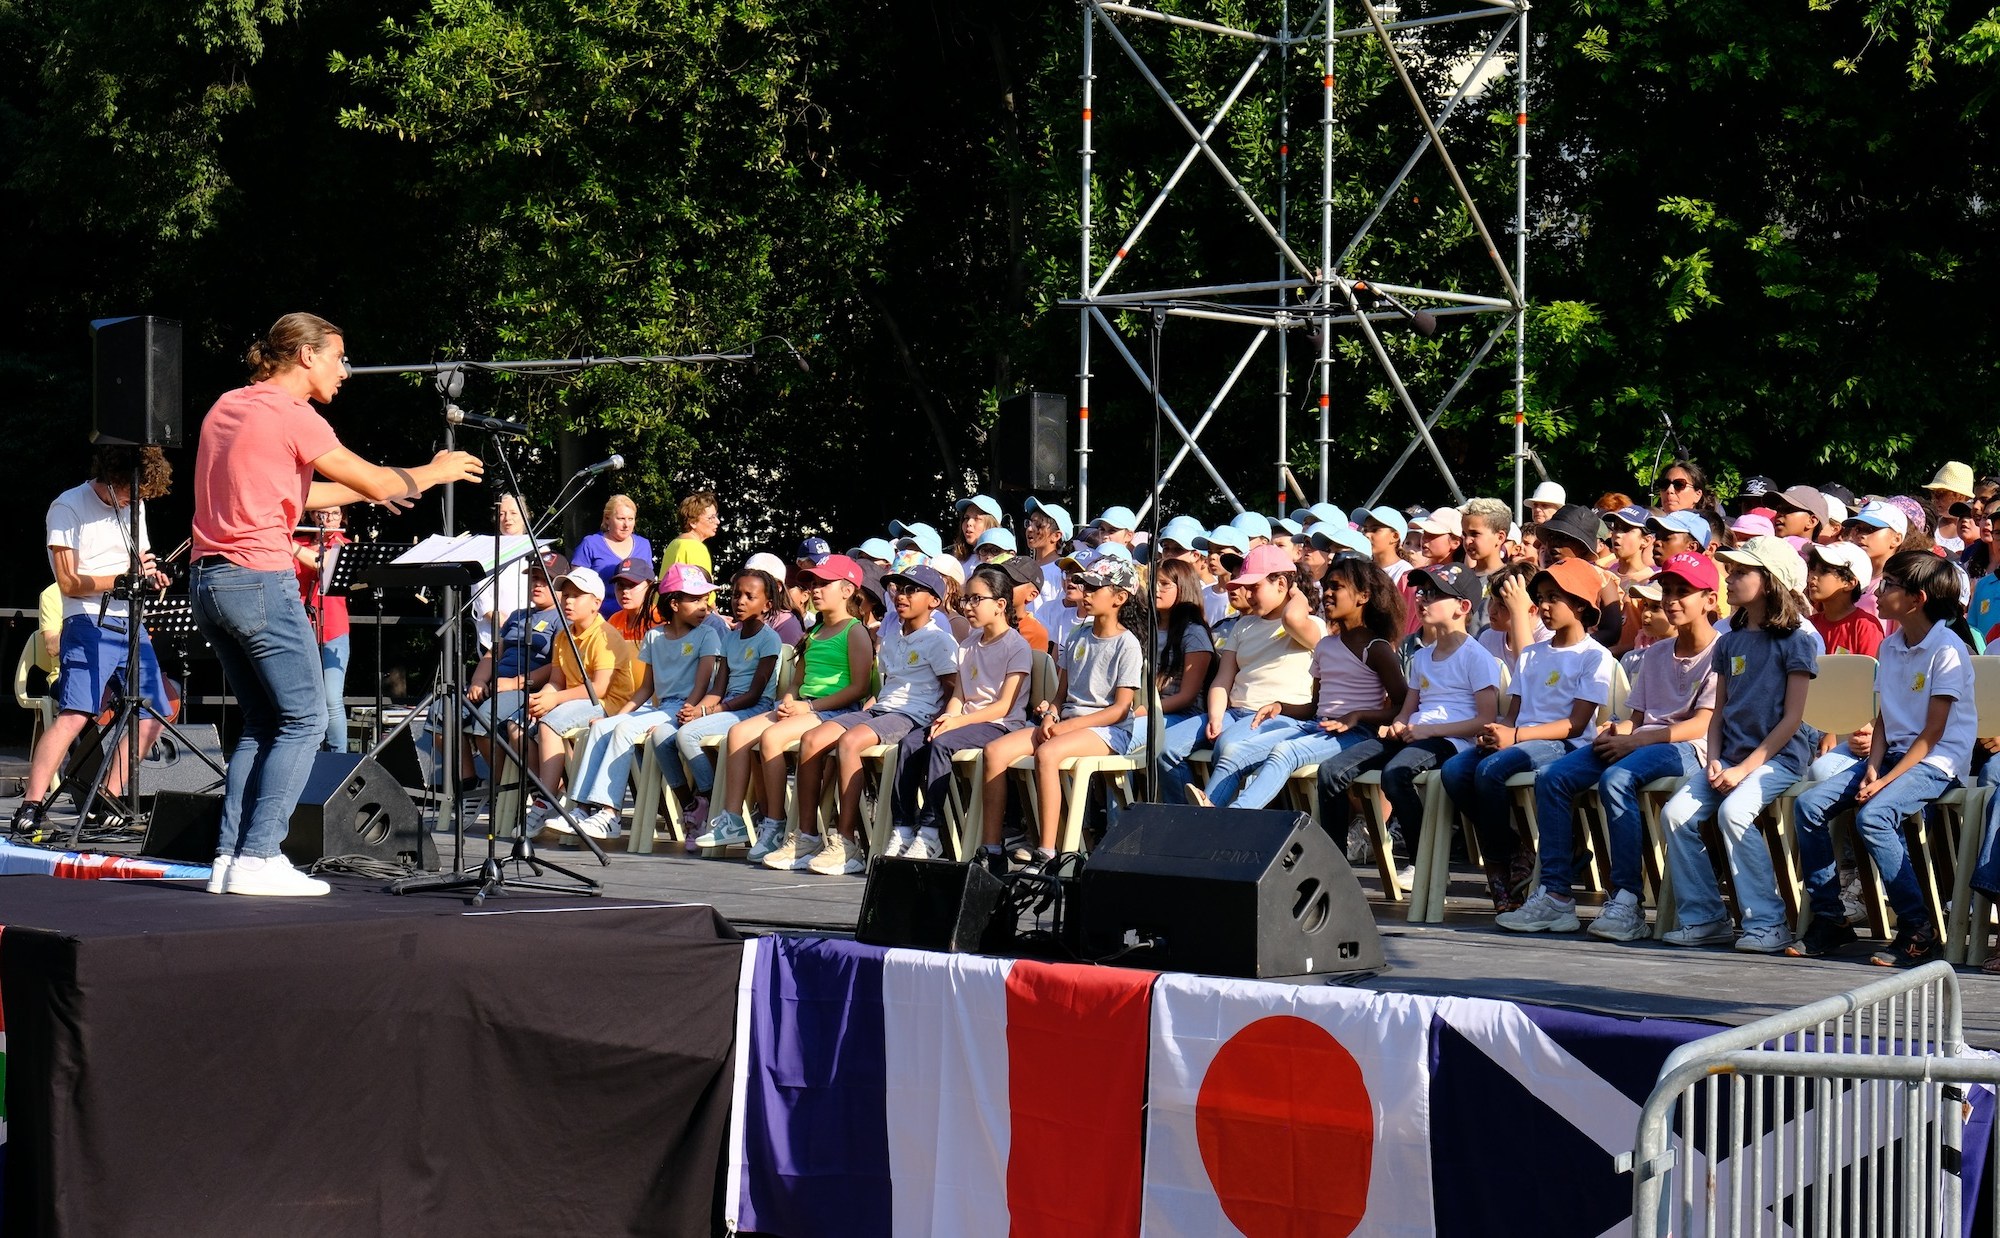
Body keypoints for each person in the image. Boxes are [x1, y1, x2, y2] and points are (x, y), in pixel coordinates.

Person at [188, 313, 482, 896]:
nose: (344, 371)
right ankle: (260, 856)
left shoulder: (227, 406)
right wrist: (433, 472)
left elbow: (297, 491)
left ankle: (229, 857)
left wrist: (382, 487)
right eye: (338, 358)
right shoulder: (295, 414)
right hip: (259, 579)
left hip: (210, 582)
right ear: (306, 355)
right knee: (306, 719)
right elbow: (373, 481)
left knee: (263, 723)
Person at [1499, 552, 1721, 940]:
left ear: (1710, 600)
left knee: (1616, 779)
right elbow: (1637, 716)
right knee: (1553, 777)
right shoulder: (1656, 653)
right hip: (1643, 741)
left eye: (1682, 592)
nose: (1671, 600)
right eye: (1667, 590)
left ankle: (1626, 901)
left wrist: (1638, 738)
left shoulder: (1721, 651)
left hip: (1689, 747)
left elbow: (1703, 723)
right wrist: (1617, 730)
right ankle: (1556, 896)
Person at [1788, 550, 1977, 965]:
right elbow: (1884, 719)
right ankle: (1831, 917)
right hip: (1892, 756)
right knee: (1809, 805)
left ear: (1917, 599)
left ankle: (1917, 928)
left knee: (1872, 816)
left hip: (1937, 761)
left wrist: (1884, 782)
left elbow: (1933, 733)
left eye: (1889, 585)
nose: (1878, 591)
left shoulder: (1947, 648)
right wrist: (1873, 765)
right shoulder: (1891, 646)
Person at [1659, 536, 1817, 952]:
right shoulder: (1729, 641)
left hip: (1779, 758)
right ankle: (1706, 917)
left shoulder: (1796, 640)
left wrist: (1744, 769)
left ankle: (1768, 922)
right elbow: (1718, 713)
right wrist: (1714, 760)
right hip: (1728, 758)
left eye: (1741, 572)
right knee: (1675, 815)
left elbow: (1792, 719)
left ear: (1769, 581)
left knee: (1734, 813)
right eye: (1730, 571)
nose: (1729, 578)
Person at [12, 444, 175, 840]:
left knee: (154, 710)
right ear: (112, 479)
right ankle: (30, 806)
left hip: (130, 619)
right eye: (129, 493)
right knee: (77, 712)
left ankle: (107, 800)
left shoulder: (134, 504)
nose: (133, 501)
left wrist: (151, 573)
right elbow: (68, 581)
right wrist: (121, 578)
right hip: (88, 619)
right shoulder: (68, 506)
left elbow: (141, 557)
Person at [1441, 557, 1617, 910]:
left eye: (1554, 598)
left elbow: (1576, 724)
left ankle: (1498, 868)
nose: (1544, 606)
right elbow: (1513, 714)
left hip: (1564, 745)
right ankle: (1514, 848)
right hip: (1522, 738)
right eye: (1541, 598)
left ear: (1581, 605)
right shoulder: (1532, 654)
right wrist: (1497, 732)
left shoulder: (1594, 656)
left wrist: (1516, 736)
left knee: (1490, 770)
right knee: (1454, 770)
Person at [1314, 563, 1502, 870]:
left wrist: (1429, 731)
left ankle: (1421, 863)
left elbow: (1485, 720)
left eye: (1434, 594)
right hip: (1415, 736)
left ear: (1463, 607)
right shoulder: (1422, 656)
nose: (1422, 599)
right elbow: (1408, 708)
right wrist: (1398, 724)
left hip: (1450, 741)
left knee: (1395, 774)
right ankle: (1332, 866)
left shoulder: (1476, 656)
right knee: (1331, 771)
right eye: (1422, 592)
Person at [778, 564, 960, 876]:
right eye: (898, 589)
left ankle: (847, 843)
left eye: (911, 590)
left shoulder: (940, 640)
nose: (901, 596)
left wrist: (941, 721)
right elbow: (890, 686)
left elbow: (953, 690)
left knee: (849, 742)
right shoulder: (891, 637)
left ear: (934, 600)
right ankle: (807, 837)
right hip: (881, 710)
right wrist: (869, 709)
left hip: (913, 716)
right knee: (812, 739)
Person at [1194, 556, 1406, 811]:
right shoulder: (1325, 646)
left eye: (1336, 587)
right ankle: (1206, 813)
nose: (1327, 593)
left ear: (1363, 596)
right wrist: (1281, 707)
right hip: (1318, 726)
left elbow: (1402, 706)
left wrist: (1358, 716)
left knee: (1284, 752)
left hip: (1357, 734)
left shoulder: (1377, 649)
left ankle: (1234, 815)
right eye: (1326, 586)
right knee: (1234, 753)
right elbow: (1314, 707)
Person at [700, 555, 874, 858]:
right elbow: (798, 680)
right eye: (813, 583)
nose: (815, 590)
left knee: (771, 737)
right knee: (739, 733)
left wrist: (810, 707)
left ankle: (774, 823)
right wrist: (791, 699)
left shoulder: (854, 631)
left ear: (847, 590)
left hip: (834, 712)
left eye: (824, 584)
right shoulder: (814, 632)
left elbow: (859, 688)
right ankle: (733, 818)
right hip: (806, 707)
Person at [978, 557, 1145, 869]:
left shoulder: (1128, 644)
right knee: (995, 751)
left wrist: (1068, 726)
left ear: (1120, 598)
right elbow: (1060, 694)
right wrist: (1051, 715)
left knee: (1047, 753)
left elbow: (1121, 709)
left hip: (1109, 731)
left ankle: (1046, 851)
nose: (1086, 592)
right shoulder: (1077, 635)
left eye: (1095, 587)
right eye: (1086, 586)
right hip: (1067, 724)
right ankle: (992, 848)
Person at [557, 565, 722, 843]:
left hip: (684, 710)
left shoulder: (707, 635)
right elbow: (646, 688)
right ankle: (581, 810)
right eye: (695, 600)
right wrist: (615, 717)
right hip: (662, 708)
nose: (704, 606)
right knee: (602, 728)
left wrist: (689, 710)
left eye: (704, 599)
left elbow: (701, 685)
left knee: (624, 730)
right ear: (674, 604)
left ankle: (610, 813)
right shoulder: (654, 637)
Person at [889, 564, 1033, 860]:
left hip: (1000, 725)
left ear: (1000, 605)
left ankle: (930, 832)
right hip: (967, 722)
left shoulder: (1016, 646)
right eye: (966, 599)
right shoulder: (967, 645)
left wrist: (957, 722)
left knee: (941, 743)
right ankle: (903, 827)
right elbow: (959, 695)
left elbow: (1004, 706)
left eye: (976, 599)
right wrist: (948, 717)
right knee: (912, 742)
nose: (967, 606)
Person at [1163, 544, 1325, 803]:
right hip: (1233, 713)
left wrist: (1297, 595)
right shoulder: (1243, 626)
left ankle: (1205, 813)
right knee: (1164, 747)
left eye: (1254, 587)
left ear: (1281, 584)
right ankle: (1184, 815)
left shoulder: (1310, 624)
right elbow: (1223, 679)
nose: (1247, 594)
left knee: (1229, 746)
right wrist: (1216, 715)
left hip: (1277, 717)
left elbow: (1292, 620)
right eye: (1244, 587)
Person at [519, 566, 640, 831]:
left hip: (607, 706)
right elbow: (556, 681)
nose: (568, 601)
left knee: (548, 725)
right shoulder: (564, 635)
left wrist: (555, 701)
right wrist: (542, 698)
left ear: (596, 603)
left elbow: (599, 689)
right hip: (574, 703)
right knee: (522, 724)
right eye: (566, 595)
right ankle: (557, 787)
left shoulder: (605, 635)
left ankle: (546, 799)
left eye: (577, 595)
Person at [674, 566, 786, 842]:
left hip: (754, 709)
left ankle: (712, 797)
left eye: (750, 596)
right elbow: (718, 688)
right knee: (683, 728)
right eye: (736, 595)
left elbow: (755, 694)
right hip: (728, 706)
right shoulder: (730, 637)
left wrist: (709, 711)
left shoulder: (769, 639)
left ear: (767, 605)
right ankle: (721, 800)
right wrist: (697, 710)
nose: (740, 601)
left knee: (688, 735)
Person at [461, 551, 564, 789]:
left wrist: (515, 683)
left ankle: (504, 789)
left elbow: (558, 667)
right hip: (494, 685)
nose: (537, 585)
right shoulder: (517, 615)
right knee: (443, 713)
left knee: (485, 718)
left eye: (545, 579)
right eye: (534, 578)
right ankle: (469, 785)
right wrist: (478, 681)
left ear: (559, 584)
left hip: (528, 688)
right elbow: (492, 654)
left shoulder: (562, 620)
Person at [1133, 557, 1217, 785]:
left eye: (1164, 584)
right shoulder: (1147, 629)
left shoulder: (1194, 633)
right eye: (1153, 583)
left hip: (1186, 715)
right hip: (1150, 711)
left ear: (1183, 589)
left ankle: (1177, 806)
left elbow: (1187, 696)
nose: (1155, 590)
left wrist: (1146, 711)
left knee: (1128, 734)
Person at [292, 505, 352, 752]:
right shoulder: (296, 542)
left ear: (343, 517)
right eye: (321, 513)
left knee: (331, 699)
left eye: (335, 514)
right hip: (299, 629)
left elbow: (323, 564)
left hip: (334, 630)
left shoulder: (343, 545)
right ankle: (306, 756)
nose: (327, 519)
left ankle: (340, 759)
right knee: (302, 701)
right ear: (310, 515)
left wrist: (285, 542)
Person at [571, 494, 650, 616]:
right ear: (607, 518)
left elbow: (648, 585)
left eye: (631, 519)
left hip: (637, 619)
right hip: (601, 618)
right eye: (621, 519)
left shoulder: (644, 545)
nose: (626, 525)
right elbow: (576, 588)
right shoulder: (590, 544)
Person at [470, 494, 532, 651]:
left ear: (525, 516)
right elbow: (479, 592)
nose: (507, 518)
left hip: (532, 634)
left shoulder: (540, 549)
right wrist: (502, 621)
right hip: (494, 637)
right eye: (502, 514)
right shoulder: (486, 550)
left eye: (513, 513)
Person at [658, 491, 720, 577]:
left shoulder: (673, 544)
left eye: (716, 516)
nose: (717, 521)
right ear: (693, 522)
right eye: (711, 518)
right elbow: (701, 584)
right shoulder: (696, 548)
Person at [952, 495, 1004, 577]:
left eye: (977, 519)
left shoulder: (1001, 563)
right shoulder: (957, 561)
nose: (969, 523)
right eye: (966, 518)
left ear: (992, 525)